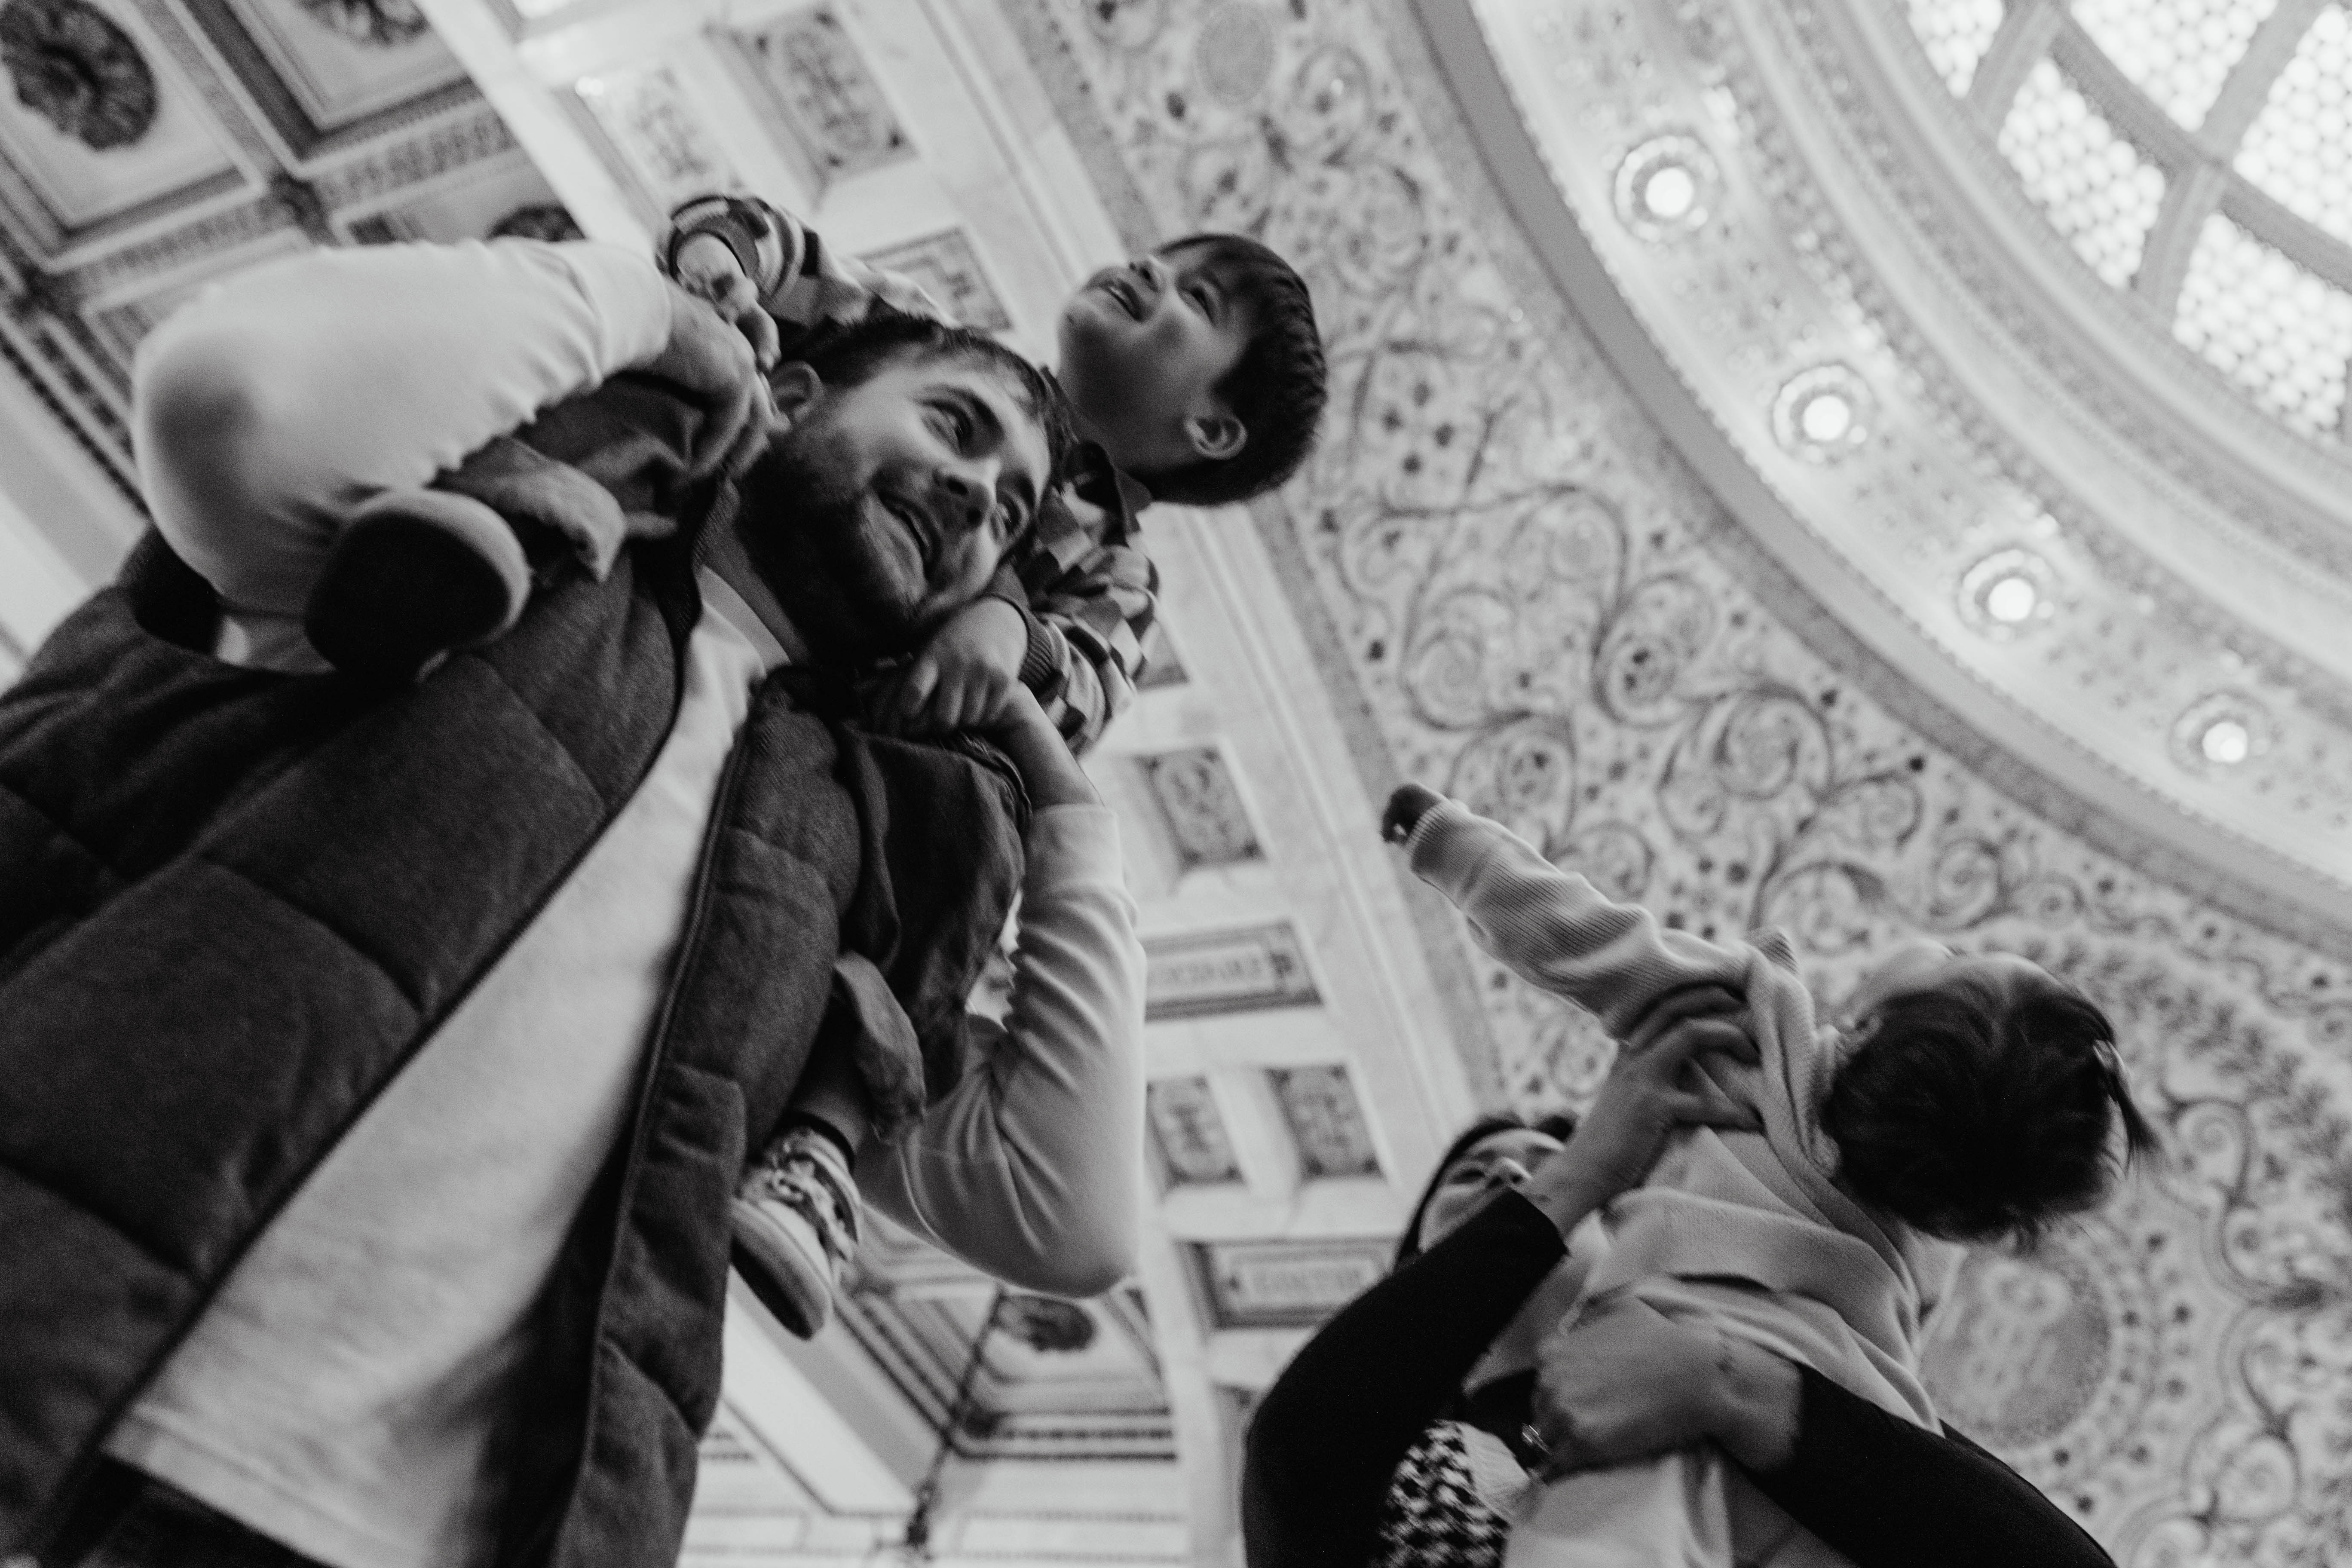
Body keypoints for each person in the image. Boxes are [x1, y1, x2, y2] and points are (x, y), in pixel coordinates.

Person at [0, 238, 1146, 1568]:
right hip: (56, 1365)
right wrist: (669, 321)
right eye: (955, 426)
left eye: (1008, 514)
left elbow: (1071, 1218)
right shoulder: (485, 533)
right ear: (797, 397)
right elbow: (234, 394)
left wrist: (1063, 804)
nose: (971, 498)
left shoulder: (842, 866)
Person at [649, 197, 1328, 1335]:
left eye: (1191, 300)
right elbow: (778, 250)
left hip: (851, 767)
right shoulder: (926, 342)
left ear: (1212, 430)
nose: (1142, 274)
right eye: (1156, 260)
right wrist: (724, 264)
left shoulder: (1115, 578)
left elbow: (1072, 707)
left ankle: (822, 1134)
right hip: (715, 606)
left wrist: (1008, 634)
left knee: (981, 818)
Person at [1377, 784, 2153, 1567]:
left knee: (1598, 1542)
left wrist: (1448, 846)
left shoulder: (1760, 1032)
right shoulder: (1932, 1229)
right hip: (1858, 1412)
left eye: (1955, 961)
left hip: (1665, 1366)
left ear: (1867, 1026)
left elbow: (1583, 937)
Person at [1243, 999, 2119, 1568]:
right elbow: (1296, 1457)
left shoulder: (1794, 1375)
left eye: (1540, 1163)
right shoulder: (1408, 1463)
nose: (1513, 1178)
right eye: (1474, 1175)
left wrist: (1732, 1387)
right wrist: (1582, 1170)